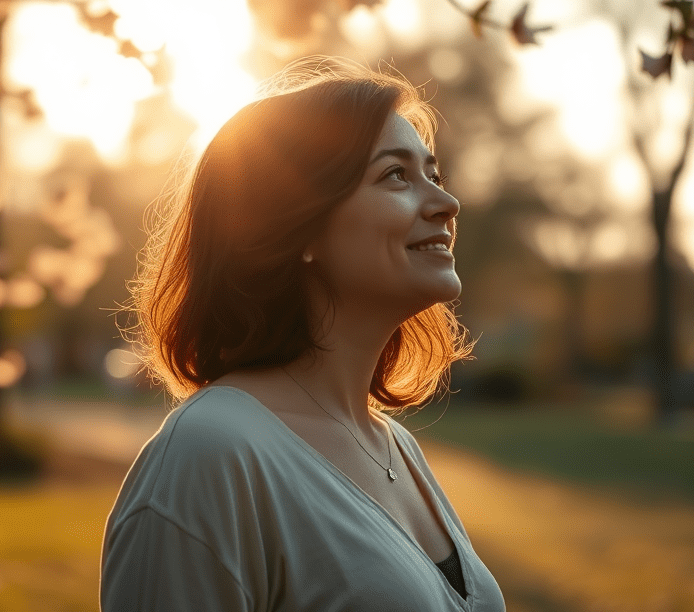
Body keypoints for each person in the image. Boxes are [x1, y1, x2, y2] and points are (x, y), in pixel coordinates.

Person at [101, 57, 506, 611]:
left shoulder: (396, 446)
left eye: (433, 176)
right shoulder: (210, 453)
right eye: (396, 175)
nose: (446, 203)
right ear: (299, 227)